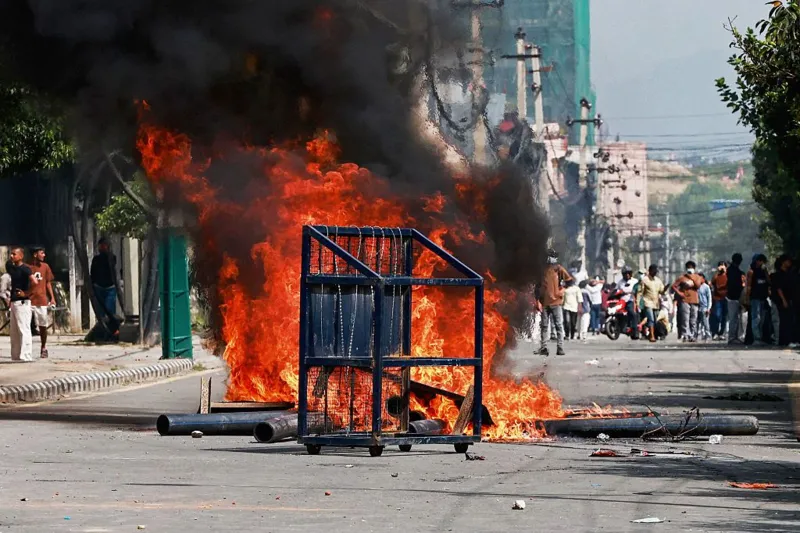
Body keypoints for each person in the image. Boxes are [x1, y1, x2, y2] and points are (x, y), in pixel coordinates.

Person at [537, 249, 572, 356]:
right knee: (544, 326)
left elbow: (569, 281)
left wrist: (562, 290)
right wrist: (537, 301)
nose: (550, 258)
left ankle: (560, 347)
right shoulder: (541, 271)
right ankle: (544, 347)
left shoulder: (558, 269)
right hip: (544, 303)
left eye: (552, 256)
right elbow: (537, 287)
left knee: (559, 325)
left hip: (556, 302)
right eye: (549, 256)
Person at [6, 248, 38, 362]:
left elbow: (35, 282)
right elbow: (8, 264)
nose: (12, 256)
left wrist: (27, 293)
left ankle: (26, 355)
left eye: (14, 254)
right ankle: (16, 355)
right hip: (14, 302)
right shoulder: (12, 268)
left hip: (22, 302)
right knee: (14, 331)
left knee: (24, 329)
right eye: (11, 254)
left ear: (21, 256)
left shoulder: (25, 269)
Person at [27, 246, 55, 358]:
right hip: (28, 300)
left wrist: (52, 298)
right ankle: (26, 349)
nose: (44, 255)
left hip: (41, 300)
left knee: (43, 325)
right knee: (26, 325)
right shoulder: (27, 267)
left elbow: (48, 283)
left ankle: (43, 347)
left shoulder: (45, 266)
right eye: (42, 253)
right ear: (35, 254)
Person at [90, 237, 119, 329]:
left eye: (104, 245)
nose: (102, 247)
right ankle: (103, 329)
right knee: (101, 311)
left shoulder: (112, 258)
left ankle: (112, 329)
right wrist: (93, 285)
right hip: (98, 287)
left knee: (110, 310)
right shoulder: (96, 259)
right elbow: (93, 273)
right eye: (101, 245)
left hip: (110, 287)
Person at [671, 261, 703, 342]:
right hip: (684, 300)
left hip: (694, 300)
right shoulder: (682, 277)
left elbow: (698, 285)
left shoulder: (697, 277)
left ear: (694, 268)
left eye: (691, 267)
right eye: (688, 267)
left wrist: (691, 277)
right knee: (685, 319)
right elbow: (673, 286)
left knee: (693, 319)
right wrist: (679, 293)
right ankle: (685, 335)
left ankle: (692, 335)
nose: (690, 269)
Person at [746, 253, 770, 346]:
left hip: (763, 298)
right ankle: (756, 338)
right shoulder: (751, 272)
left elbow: (769, 281)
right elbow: (748, 286)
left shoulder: (763, 271)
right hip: (755, 298)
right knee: (756, 318)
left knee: (762, 319)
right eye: (761, 261)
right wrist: (747, 298)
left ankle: (760, 336)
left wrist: (766, 271)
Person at [771, 255, 794, 346]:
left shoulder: (788, 274)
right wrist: (783, 300)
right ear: (783, 262)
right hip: (780, 301)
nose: (789, 263)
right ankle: (780, 340)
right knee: (780, 321)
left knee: (787, 320)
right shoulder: (778, 275)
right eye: (788, 261)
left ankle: (786, 340)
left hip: (787, 299)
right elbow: (779, 289)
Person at [639, 264, 666, 343]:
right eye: (654, 271)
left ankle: (651, 334)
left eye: (656, 272)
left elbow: (661, 291)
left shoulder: (658, 280)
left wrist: (665, 289)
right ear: (650, 271)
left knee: (655, 320)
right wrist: (638, 303)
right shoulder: (645, 280)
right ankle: (652, 336)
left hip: (656, 303)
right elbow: (640, 292)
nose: (655, 273)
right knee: (651, 319)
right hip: (647, 302)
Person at [726, 253, 747, 344]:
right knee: (734, 318)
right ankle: (732, 337)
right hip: (733, 297)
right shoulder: (733, 271)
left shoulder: (733, 270)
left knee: (737, 319)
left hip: (735, 297)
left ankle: (736, 336)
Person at [619, 268, 640, 339]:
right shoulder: (620, 282)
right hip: (621, 301)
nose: (627, 275)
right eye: (625, 274)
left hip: (630, 300)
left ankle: (635, 330)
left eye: (628, 273)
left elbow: (638, 290)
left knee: (632, 313)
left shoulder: (635, 281)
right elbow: (616, 289)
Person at [710, 262, 728, 340]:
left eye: (723, 265)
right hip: (717, 298)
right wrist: (718, 272)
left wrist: (726, 271)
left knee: (724, 316)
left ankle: (722, 333)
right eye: (720, 265)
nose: (722, 267)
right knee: (717, 316)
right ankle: (715, 332)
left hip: (726, 298)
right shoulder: (716, 276)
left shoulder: (728, 275)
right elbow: (712, 282)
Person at [697, 273, 712, 341]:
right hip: (697, 307)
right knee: (696, 322)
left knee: (706, 323)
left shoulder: (706, 287)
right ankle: (696, 335)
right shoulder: (696, 286)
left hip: (704, 307)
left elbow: (709, 298)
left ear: (703, 279)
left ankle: (708, 335)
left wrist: (708, 308)